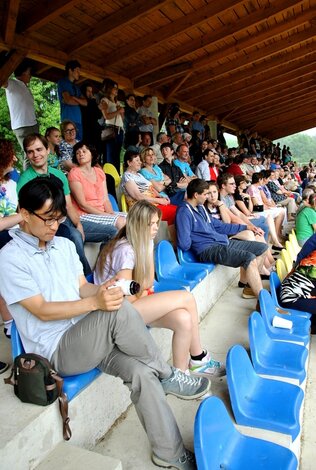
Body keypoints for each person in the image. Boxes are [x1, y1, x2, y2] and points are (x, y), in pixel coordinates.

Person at [0, 177, 210, 470]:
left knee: (139, 372)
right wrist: (96, 304)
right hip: (57, 350)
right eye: (47, 219)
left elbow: (82, 287)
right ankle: (167, 373)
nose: (53, 226)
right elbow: (43, 310)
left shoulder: (61, 244)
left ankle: (169, 452)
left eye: (58, 219)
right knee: (117, 311)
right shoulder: (9, 257)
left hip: (88, 335)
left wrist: (101, 291)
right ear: (23, 213)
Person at [95, 200, 225, 376]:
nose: (156, 228)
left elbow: (148, 282)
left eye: (157, 223)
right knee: (186, 297)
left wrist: (147, 250)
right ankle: (198, 357)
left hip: (134, 304)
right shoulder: (125, 250)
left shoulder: (144, 242)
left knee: (183, 319)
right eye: (151, 224)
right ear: (138, 225)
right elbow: (125, 297)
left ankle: (181, 375)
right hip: (115, 313)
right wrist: (145, 294)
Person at [17, 133, 117, 275]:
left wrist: (79, 224)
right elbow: (22, 214)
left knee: (112, 232)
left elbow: (69, 206)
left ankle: (101, 273)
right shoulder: (25, 179)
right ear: (27, 155)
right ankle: (87, 277)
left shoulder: (58, 175)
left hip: (66, 221)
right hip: (45, 223)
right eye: (30, 151)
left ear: (47, 150)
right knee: (75, 236)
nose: (35, 155)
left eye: (39, 149)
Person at [176, 179, 268, 299]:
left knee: (263, 248)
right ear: (196, 195)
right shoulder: (184, 212)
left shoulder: (201, 208)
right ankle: (262, 302)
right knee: (249, 258)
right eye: (205, 194)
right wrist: (197, 242)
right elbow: (184, 243)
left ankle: (250, 288)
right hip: (207, 249)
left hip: (221, 242)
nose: (208, 197)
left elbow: (219, 226)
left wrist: (247, 227)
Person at [68, 141, 126, 230]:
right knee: (120, 221)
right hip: (85, 214)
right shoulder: (74, 173)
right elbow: (83, 205)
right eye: (77, 153)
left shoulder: (99, 172)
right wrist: (109, 216)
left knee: (133, 217)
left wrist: (111, 214)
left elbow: (105, 199)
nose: (80, 154)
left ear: (92, 154)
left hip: (102, 213)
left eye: (84, 151)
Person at [120, 148, 177, 227]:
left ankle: (173, 238)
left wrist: (161, 196)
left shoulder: (138, 175)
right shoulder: (127, 177)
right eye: (137, 160)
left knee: (179, 210)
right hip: (143, 209)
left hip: (152, 204)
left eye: (139, 160)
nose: (140, 162)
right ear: (129, 162)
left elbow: (150, 188)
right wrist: (159, 200)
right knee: (177, 212)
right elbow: (138, 196)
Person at [2, 59, 39, 165]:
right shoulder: (12, 83)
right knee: (30, 154)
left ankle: (37, 178)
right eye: (29, 72)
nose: (30, 75)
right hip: (22, 126)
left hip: (33, 124)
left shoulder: (25, 86)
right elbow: (3, 80)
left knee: (37, 153)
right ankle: (28, 181)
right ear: (24, 72)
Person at [99, 78, 124, 172]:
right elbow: (106, 116)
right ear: (109, 89)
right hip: (110, 129)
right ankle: (109, 176)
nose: (116, 90)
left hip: (120, 129)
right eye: (114, 88)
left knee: (117, 155)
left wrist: (121, 112)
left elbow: (122, 118)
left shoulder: (118, 102)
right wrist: (118, 111)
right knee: (110, 155)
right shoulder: (104, 100)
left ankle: (117, 175)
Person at [57, 60, 87, 140]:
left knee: (78, 147)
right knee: (69, 147)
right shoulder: (63, 82)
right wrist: (78, 101)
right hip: (68, 120)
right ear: (70, 70)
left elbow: (85, 103)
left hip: (78, 121)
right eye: (77, 70)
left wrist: (73, 97)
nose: (79, 73)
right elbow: (68, 100)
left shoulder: (76, 87)